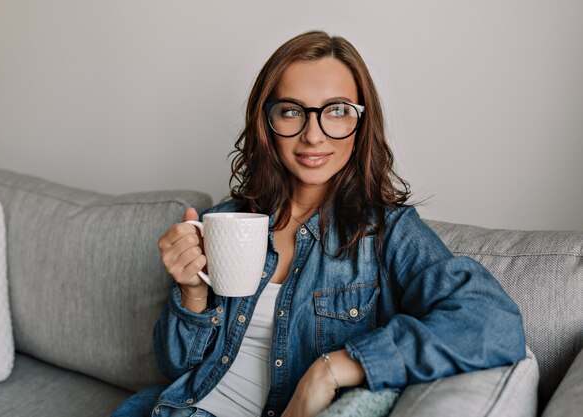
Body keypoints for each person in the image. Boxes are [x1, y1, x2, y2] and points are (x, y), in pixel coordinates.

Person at [112, 30, 526, 417]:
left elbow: (493, 321)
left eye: (337, 111)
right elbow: (177, 367)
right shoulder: (226, 218)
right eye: (292, 111)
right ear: (267, 122)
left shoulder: (388, 233)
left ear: (360, 124)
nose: (313, 135)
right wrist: (192, 292)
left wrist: (333, 368)